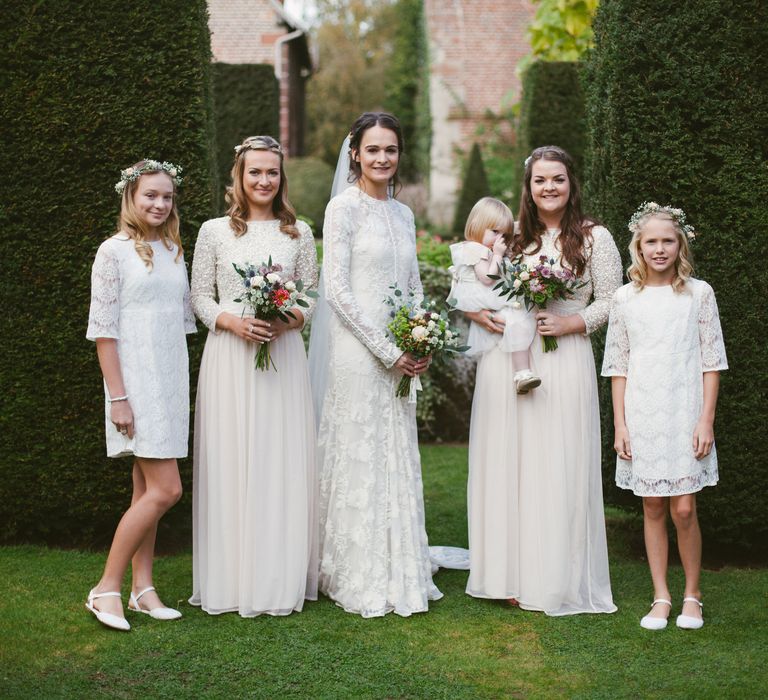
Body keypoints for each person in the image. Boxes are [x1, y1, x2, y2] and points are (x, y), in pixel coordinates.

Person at [464, 145, 620, 615]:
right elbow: (478, 284)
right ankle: (508, 572)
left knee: (559, 461)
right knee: (512, 462)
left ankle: (554, 575)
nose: (548, 187)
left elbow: (614, 299)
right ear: (527, 189)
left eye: (557, 179)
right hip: (510, 360)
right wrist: (479, 312)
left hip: (564, 357)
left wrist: (574, 324)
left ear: (571, 184)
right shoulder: (513, 241)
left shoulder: (595, 238)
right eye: (539, 181)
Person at [309, 112, 442, 617]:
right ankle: (352, 568)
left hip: (403, 351)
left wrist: (422, 334)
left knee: (396, 449)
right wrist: (388, 350)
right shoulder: (343, 210)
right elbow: (337, 290)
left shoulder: (404, 215)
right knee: (359, 448)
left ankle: (400, 562)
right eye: (373, 150)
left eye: (390, 150)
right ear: (356, 154)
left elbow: (411, 285)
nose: (382, 158)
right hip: (357, 353)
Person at [189, 135, 319, 617]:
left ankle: (277, 576)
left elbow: (310, 296)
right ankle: (231, 576)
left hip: (282, 358)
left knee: (277, 458)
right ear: (239, 178)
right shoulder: (214, 231)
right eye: (255, 172)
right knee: (232, 457)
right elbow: (200, 297)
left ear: (282, 178)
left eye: (272, 173)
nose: (264, 180)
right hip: (230, 356)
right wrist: (234, 322)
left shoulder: (299, 233)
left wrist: (288, 319)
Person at [602, 202, 727, 630]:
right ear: (638, 246)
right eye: (651, 241)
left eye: (667, 241)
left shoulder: (699, 294)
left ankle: (693, 595)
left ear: (680, 245)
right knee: (652, 504)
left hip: (685, 410)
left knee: (685, 508)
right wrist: (620, 425)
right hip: (641, 412)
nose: (659, 249)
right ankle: (661, 596)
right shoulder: (624, 298)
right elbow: (617, 366)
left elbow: (712, 362)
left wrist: (705, 420)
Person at [85, 159, 195, 631]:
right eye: (151, 194)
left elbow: (183, 320)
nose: (159, 203)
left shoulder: (173, 249)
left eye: (167, 196)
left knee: (146, 488)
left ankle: (142, 589)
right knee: (167, 490)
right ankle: (105, 588)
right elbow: (104, 332)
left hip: (171, 379)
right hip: (136, 382)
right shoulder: (112, 252)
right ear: (130, 197)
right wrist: (118, 397)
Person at [448, 196, 541, 394]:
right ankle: (522, 372)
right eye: (495, 232)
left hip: (486, 296)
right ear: (477, 225)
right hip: (483, 295)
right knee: (518, 317)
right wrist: (498, 254)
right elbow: (488, 277)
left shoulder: (482, 247)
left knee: (518, 318)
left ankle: (522, 371)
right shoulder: (475, 249)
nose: (500, 240)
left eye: (504, 235)